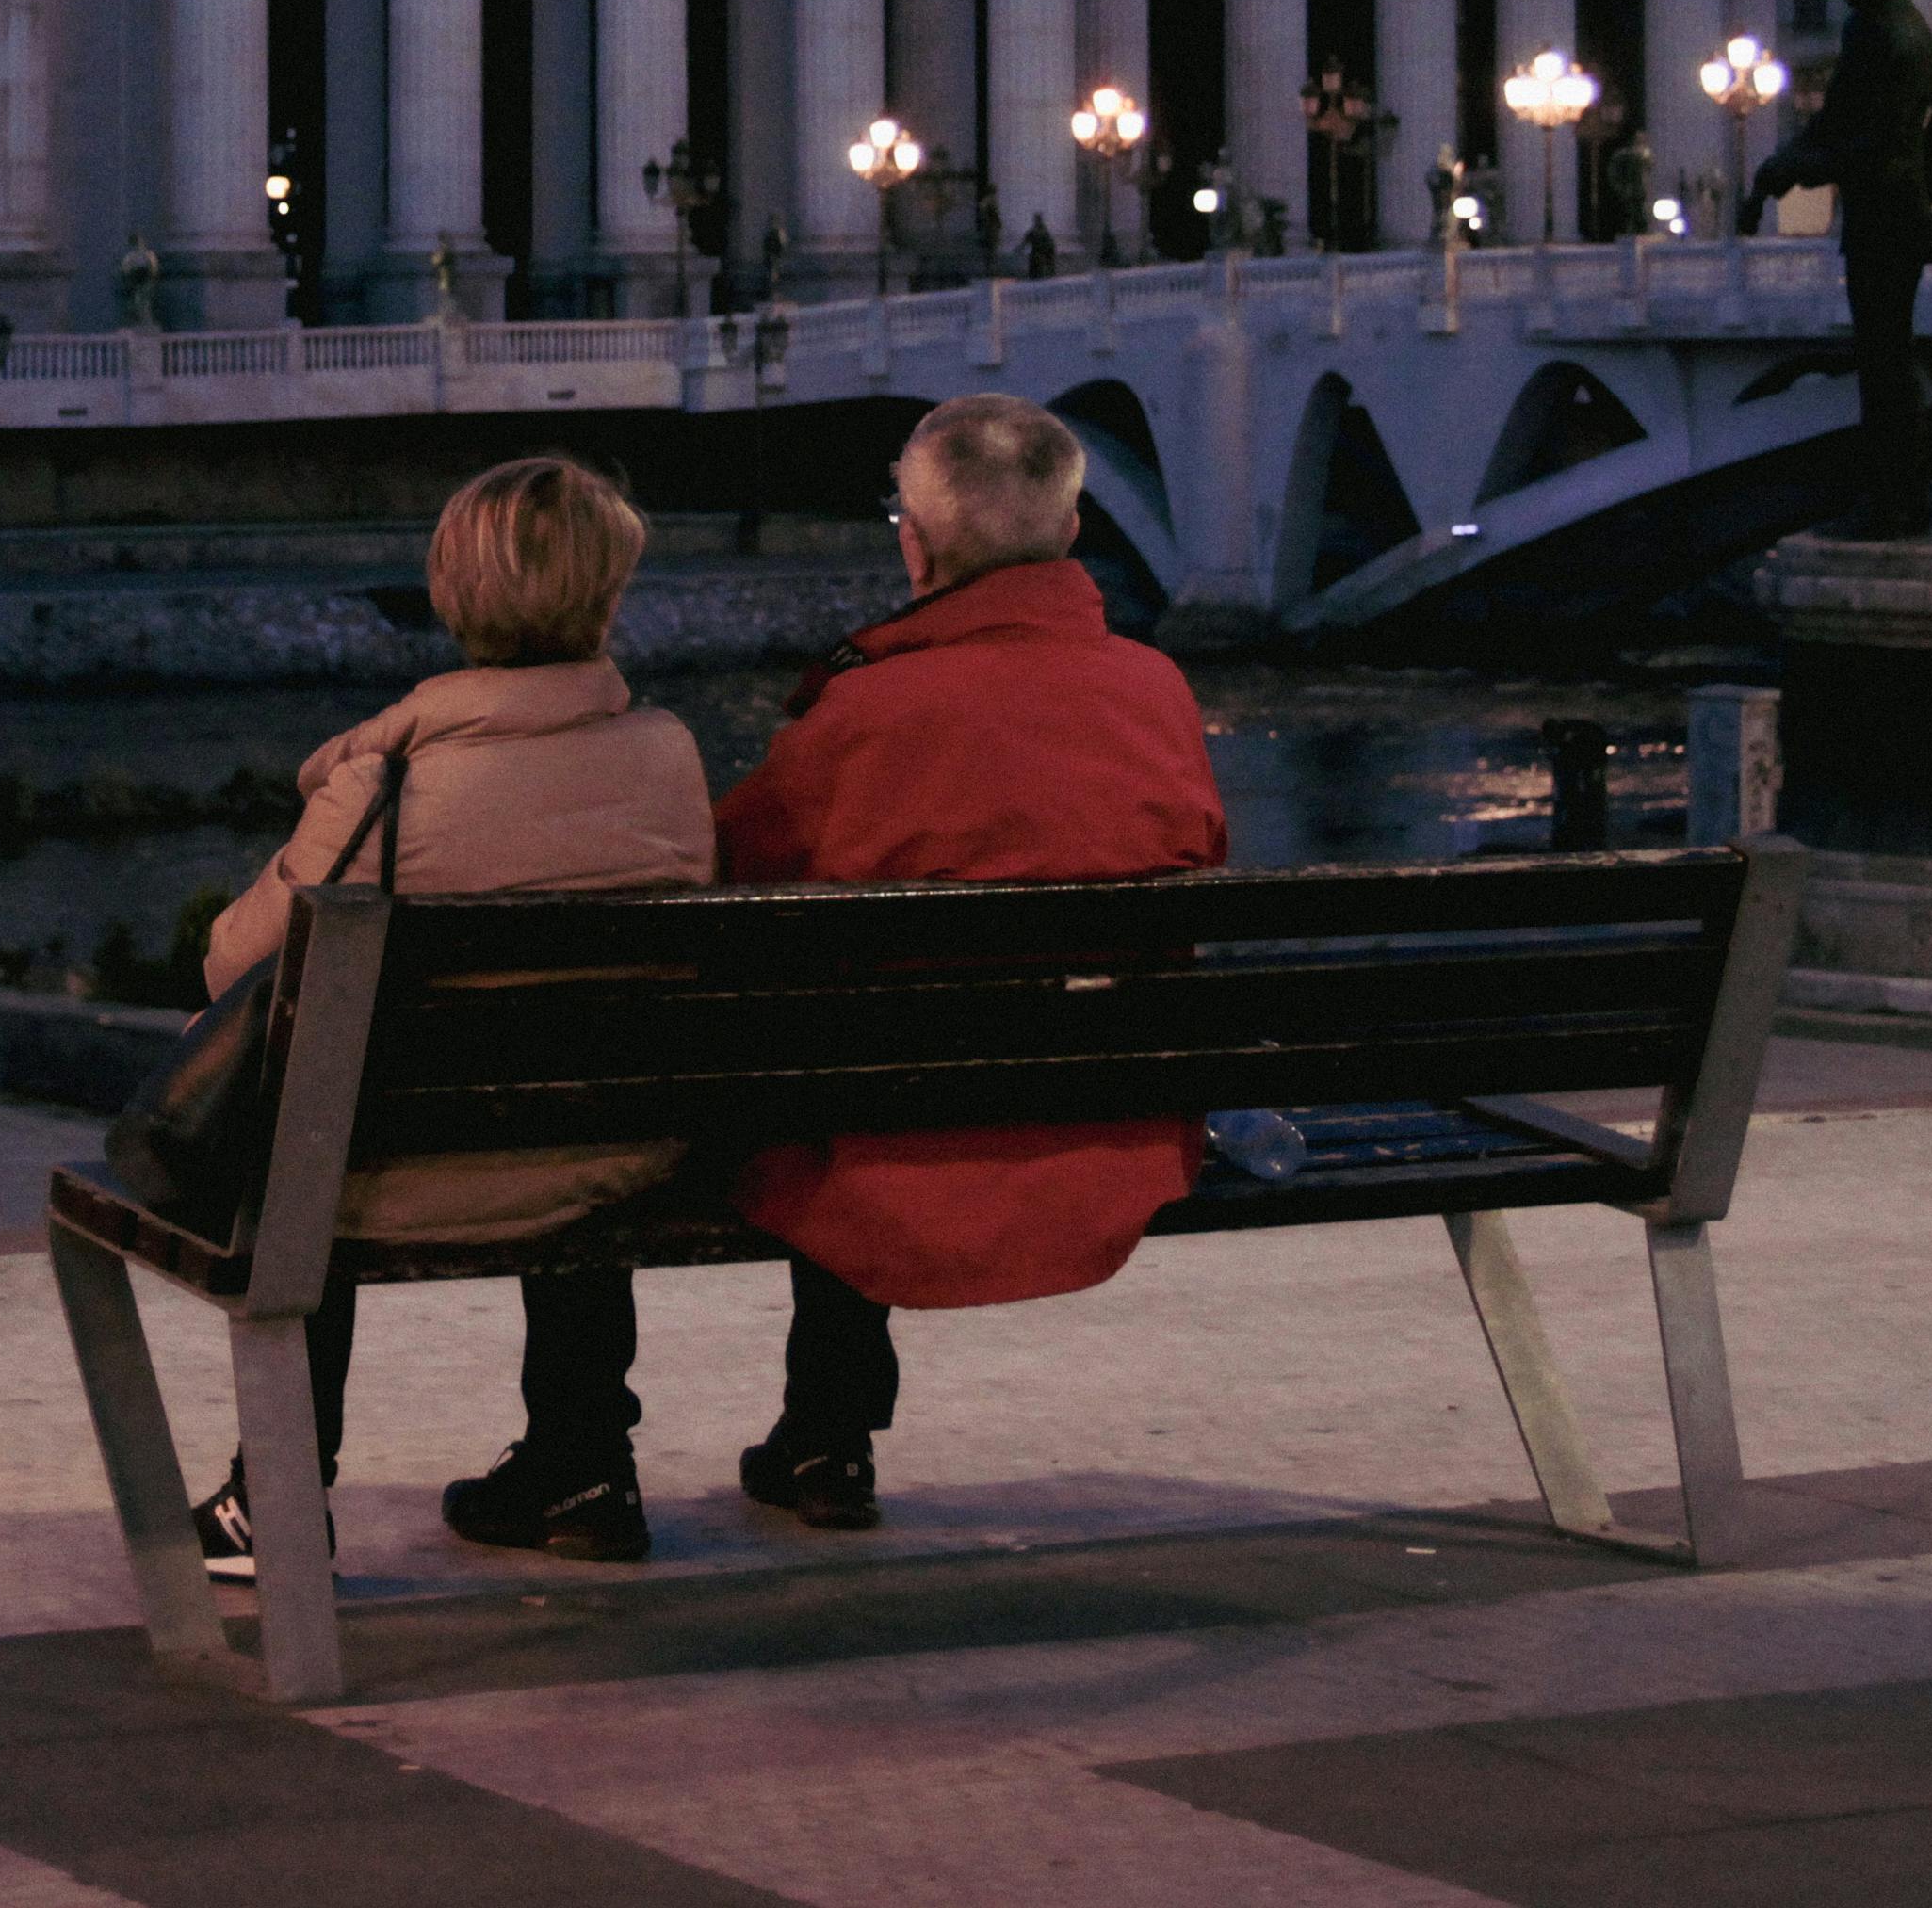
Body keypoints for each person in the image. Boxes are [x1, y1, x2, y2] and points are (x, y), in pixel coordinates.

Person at [186, 456, 714, 1579]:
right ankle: (583, 1462)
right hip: (609, 1154)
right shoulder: (667, 756)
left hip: (391, 1169)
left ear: (451, 595)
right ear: (610, 594)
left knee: (308, 1122)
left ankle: (278, 1492)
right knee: (576, 1063)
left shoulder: (388, 786)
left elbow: (234, 962)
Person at [712, 394, 1229, 1529]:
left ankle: (826, 1434)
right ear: (1072, 529)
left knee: (836, 1037)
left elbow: (732, 881)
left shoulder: (860, 711)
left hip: (891, 1156)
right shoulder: (1157, 690)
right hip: (1114, 1135)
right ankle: (822, 1431)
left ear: (916, 543)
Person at [1749, 0, 1932, 535]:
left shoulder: (1902, 40)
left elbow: (1872, 143)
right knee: (1879, 359)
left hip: (1891, 214)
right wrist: (1788, 163)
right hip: (1874, 211)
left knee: (1887, 362)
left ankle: (1896, 499)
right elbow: (1837, 120)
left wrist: (1795, 169)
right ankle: (1891, 495)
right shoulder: (1868, 27)